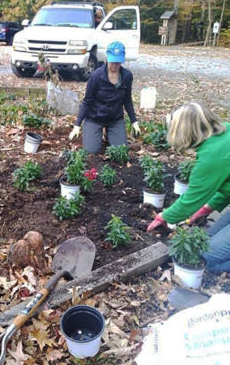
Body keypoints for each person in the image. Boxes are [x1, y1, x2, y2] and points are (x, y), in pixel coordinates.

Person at [147, 102, 230, 271]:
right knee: (205, 239)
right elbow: (225, 183)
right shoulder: (224, 132)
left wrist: (163, 217)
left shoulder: (212, 157)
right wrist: (207, 208)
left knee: (205, 258)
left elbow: (191, 199)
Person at [69, 41, 140, 153]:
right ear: (107, 58)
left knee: (119, 151)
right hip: (95, 118)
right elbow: (87, 101)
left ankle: (111, 136)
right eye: (112, 62)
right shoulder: (96, 76)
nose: (114, 66)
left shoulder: (127, 76)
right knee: (91, 151)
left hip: (115, 119)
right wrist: (77, 125)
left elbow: (127, 100)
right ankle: (94, 134)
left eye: (118, 62)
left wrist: (134, 121)